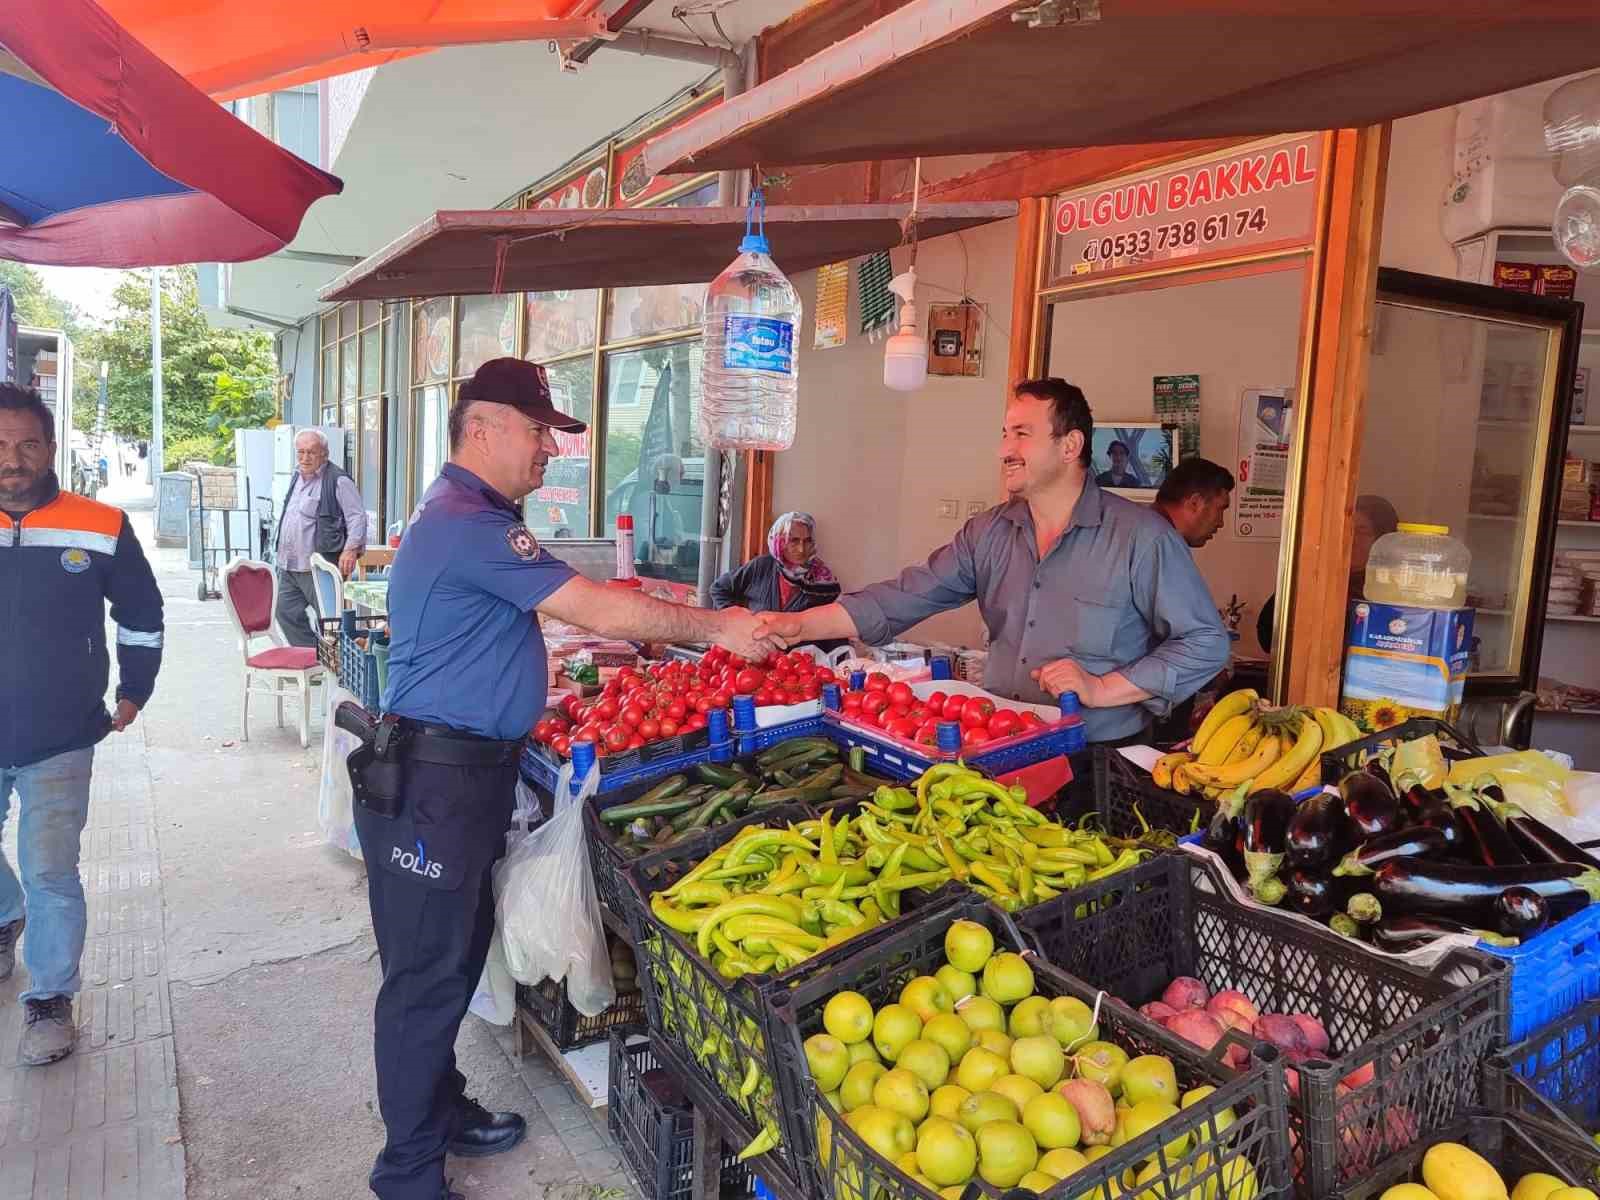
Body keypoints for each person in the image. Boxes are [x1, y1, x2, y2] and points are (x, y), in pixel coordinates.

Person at [357, 359, 774, 1200]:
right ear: (482, 428)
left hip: (460, 779)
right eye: (538, 430)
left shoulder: (472, 516)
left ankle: (441, 1111)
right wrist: (717, 628)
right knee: (425, 978)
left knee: (454, 957)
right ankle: (405, 1170)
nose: (550, 448)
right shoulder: (470, 523)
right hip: (433, 785)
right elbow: (602, 610)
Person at [757, 378, 1229, 793]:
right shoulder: (989, 533)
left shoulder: (1141, 537)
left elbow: (1206, 641)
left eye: (1022, 434)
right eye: (1005, 434)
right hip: (1001, 748)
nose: (1005, 449)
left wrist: (1103, 687)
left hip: (1096, 761)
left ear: (1070, 446)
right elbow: (906, 594)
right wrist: (800, 624)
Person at [0, 384, 163, 1066]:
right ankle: (7, 917)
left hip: (61, 733)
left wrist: (135, 691)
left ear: (50, 448)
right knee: (28, 881)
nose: (12, 459)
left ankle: (49, 1000)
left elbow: (143, 614)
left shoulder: (97, 524)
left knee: (50, 869)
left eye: (27, 444)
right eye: (1, 446)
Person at [1256, 493, 1399, 653]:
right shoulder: (1318, 577)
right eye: (1346, 530)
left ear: (1381, 540)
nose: (1352, 538)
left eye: (1362, 532)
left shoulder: (1388, 590)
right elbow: (1269, 637)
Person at [273, 429, 367, 647]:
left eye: (311, 453)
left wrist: (350, 549)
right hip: (288, 566)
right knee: (283, 610)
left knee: (331, 622)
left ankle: (340, 667)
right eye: (301, 452)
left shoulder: (338, 479)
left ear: (324, 453)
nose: (305, 458)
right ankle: (313, 657)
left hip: (319, 566)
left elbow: (357, 516)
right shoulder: (296, 476)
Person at [711, 511, 842, 617]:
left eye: (807, 541)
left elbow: (835, 618)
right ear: (779, 542)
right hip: (757, 647)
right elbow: (719, 588)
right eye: (794, 541)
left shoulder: (823, 580)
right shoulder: (761, 566)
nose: (801, 549)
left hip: (802, 650)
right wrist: (736, 620)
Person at [1152, 457, 1235, 549]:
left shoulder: (1144, 530)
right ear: (1195, 503)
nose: (1220, 523)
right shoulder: (1159, 544)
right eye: (1220, 509)